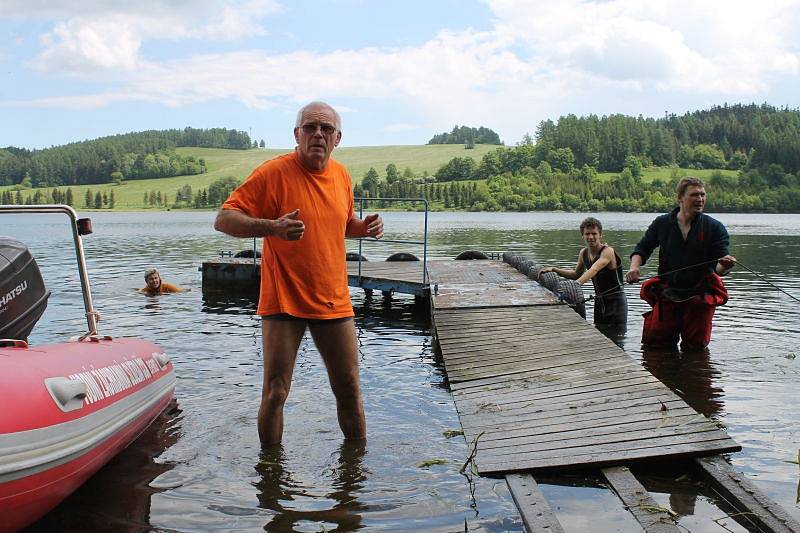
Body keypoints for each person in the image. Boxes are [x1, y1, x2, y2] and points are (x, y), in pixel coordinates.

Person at [213, 101, 384, 446]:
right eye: (310, 127)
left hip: (333, 299)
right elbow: (223, 218)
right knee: (276, 392)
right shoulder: (273, 173)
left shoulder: (342, 176)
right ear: (297, 134)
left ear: (337, 138)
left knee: (349, 389)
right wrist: (271, 227)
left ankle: (355, 478)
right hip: (283, 300)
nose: (318, 134)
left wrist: (362, 228)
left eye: (326, 129)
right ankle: (271, 478)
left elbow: (340, 222)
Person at [625, 177, 736, 349]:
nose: (700, 199)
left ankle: (694, 374)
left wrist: (725, 265)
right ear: (680, 197)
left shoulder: (715, 227)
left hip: (700, 294)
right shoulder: (662, 223)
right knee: (657, 345)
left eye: (702, 195)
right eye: (694, 195)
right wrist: (634, 267)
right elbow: (642, 248)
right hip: (668, 291)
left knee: (696, 347)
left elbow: (719, 269)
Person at [540, 217, 627, 324]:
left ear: (600, 235)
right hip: (599, 301)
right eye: (587, 234)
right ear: (582, 236)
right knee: (598, 333)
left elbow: (594, 269)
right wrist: (554, 269)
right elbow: (575, 274)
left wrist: (576, 284)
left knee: (617, 337)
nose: (591, 237)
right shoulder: (583, 253)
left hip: (616, 302)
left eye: (594, 233)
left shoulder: (608, 251)